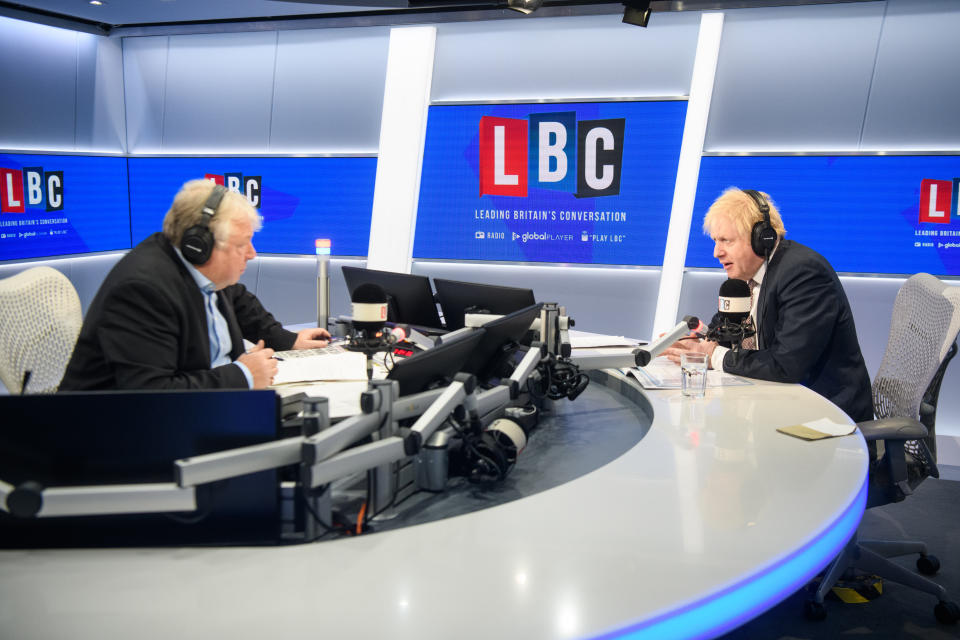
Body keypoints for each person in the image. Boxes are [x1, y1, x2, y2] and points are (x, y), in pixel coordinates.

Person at [60, 179, 331, 391]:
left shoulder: (205, 273)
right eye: (241, 244)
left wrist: (289, 340)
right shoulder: (142, 291)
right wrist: (244, 375)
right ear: (199, 246)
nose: (252, 253)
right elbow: (153, 394)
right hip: (118, 443)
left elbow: (239, 301)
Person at [665, 187, 873, 422]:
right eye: (715, 241)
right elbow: (722, 333)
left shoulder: (803, 274)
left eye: (726, 241)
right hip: (779, 407)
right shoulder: (746, 279)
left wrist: (712, 355)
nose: (716, 252)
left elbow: (786, 365)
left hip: (826, 419)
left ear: (760, 238)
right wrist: (692, 344)